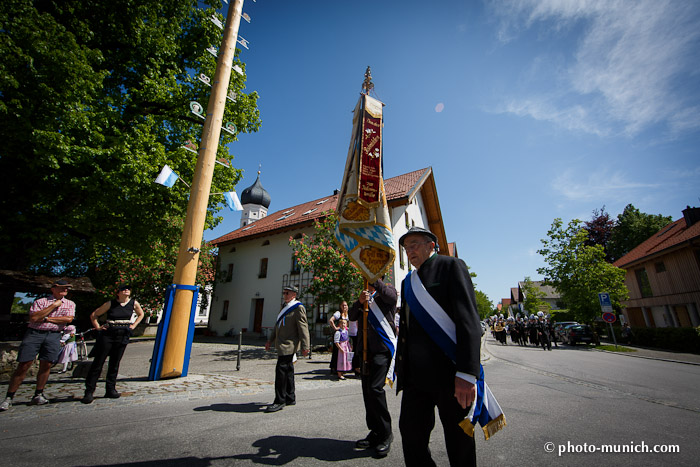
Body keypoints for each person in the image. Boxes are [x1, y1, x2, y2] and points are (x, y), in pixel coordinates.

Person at [395, 227, 482, 467]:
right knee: (411, 435)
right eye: (406, 247)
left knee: (459, 441)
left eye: (414, 245)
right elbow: (407, 330)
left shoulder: (451, 266)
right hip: (415, 378)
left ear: (431, 245)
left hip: (450, 375)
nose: (409, 251)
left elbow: (469, 322)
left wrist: (466, 373)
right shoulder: (407, 282)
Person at [1, 280, 76, 411]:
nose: (65, 290)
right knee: (24, 364)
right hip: (35, 333)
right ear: (53, 289)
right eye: (63, 288)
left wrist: (46, 318)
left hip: (54, 334)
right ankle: (9, 397)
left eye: (67, 288)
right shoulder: (41, 302)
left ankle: (38, 394)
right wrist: (53, 306)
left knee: (47, 364)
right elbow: (34, 318)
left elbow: (68, 319)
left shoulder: (70, 304)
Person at [349, 277, 398, 458]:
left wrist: (374, 280)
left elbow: (392, 298)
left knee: (375, 389)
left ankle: (386, 434)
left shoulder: (386, 290)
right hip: (365, 352)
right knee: (367, 392)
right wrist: (360, 302)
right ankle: (375, 432)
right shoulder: (365, 296)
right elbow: (353, 316)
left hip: (381, 351)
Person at [81, 284, 144, 404]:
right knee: (98, 362)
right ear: (118, 292)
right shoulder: (110, 303)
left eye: (128, 289)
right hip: (109, 333)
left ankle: (110, 389)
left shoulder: (134, 303)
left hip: (123, 332)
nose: (126, 290)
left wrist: (133, 326)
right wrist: (98, 327)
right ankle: (89, 391)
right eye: (123, 289)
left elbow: (141, 314)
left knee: (115, 363)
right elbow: (94, 315)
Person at [264, 285, 310, 413]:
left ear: (294, 295)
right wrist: (270, 340)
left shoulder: (298, 308)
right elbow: (277, 325)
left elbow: (303, 328)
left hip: (289, 345)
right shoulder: (284, 307)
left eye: (287, 293)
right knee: (288, 370)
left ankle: (279, 400)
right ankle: (290, 397)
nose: (284, 295)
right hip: (281, 343)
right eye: (284, 293)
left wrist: (306, 346)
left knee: (281, 372)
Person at [328, 300, 349, 377]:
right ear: (340, 306)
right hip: (338, 335)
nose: (344, 307)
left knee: (343, 352)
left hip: (344, 334)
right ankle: (334, 368)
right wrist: (335, 328)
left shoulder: (347, 315)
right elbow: (331, 320)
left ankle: (342, 368)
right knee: (336, 351)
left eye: (346, 305)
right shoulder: (338, 313)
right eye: (343, 305)